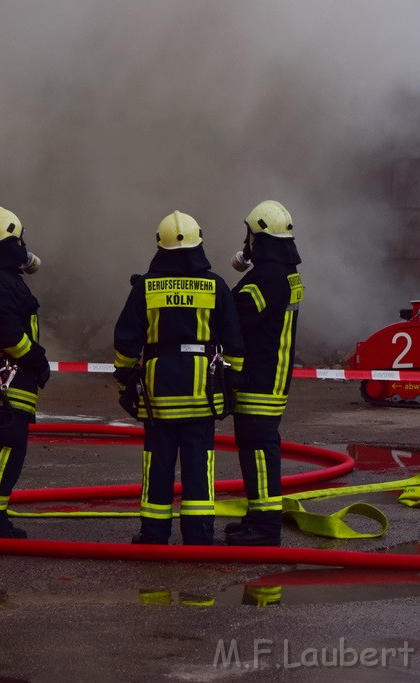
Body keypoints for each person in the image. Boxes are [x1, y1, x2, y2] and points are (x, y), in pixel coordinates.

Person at [113, 210, 245, 545]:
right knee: (199, 465)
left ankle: (154, 534)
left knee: (157, 464)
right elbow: (233, 339)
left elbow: (127, 338)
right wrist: (233, 379)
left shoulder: (146, 285)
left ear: (160, 244)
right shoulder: (214, 284)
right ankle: (199, 536)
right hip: (200, 391)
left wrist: (126, 379)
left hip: (158, 393)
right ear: (199, 241)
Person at [0, 205, 51, 538]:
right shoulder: (0, 282)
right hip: (10, 377)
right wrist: (37, 359)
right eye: (19, 240)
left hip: (1, 374)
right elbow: (7, 331)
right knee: (5, 451)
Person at [224, 200, 304, 546]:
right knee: (259, 446)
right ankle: (258, 515)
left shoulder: (264, 280)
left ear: (260, 238)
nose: (247, 244)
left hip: (259, 379)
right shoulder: (285, 274)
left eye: (250, 237)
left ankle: (265, 527)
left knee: (257, 448)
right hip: (273, 376)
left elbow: (234, 320)